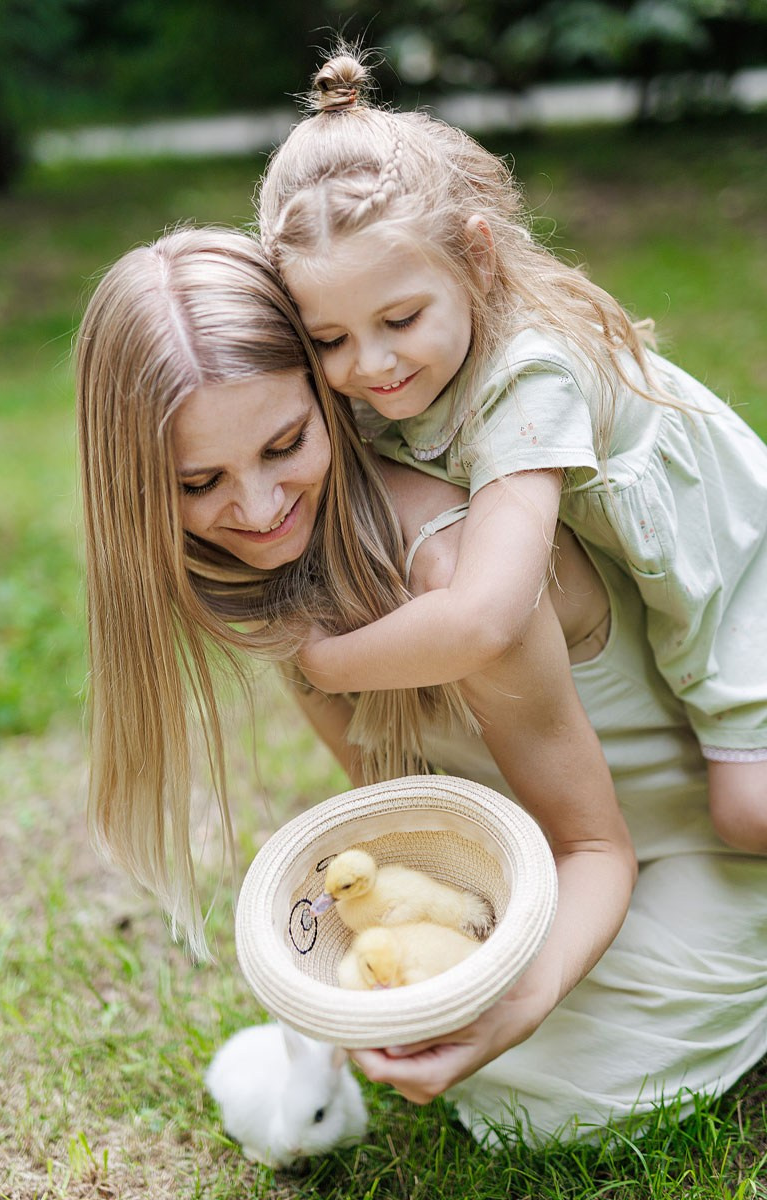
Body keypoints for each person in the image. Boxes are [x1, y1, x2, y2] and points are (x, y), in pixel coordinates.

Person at [75, 225, 767, 1144]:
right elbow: (402, 798)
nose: (256, 507)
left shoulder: (455, 566)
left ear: (330, 398)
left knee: (543, 1098)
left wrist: (515, 1005)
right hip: (541, 874)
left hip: (671, 853)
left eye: (285, 444)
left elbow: (599, 850)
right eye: (199, 481)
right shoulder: (276, 571)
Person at [257, 47, 767, 855]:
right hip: (658, 602)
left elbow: (489, 614)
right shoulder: (381, 379)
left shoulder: (533, 372)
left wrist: (324, 666)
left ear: (479, 258)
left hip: (736, 575)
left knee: (748, 812)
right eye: (329, 337)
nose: (372, 364)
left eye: (399, 320)